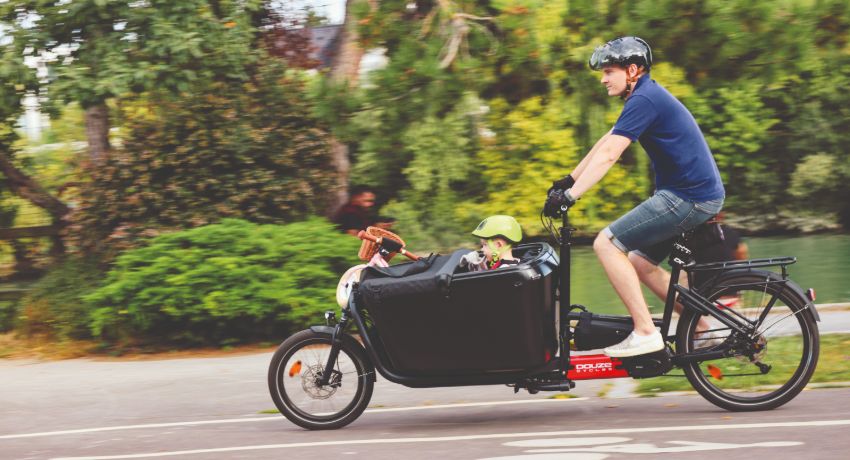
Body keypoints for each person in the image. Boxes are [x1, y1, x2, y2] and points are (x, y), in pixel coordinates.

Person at [544, 37, 725, 357]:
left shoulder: (645, 99)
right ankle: (700, 327)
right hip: (691, 194)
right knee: (640, 261)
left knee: (606, 243)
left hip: (688, 197)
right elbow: (607, 140)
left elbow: (611, 154)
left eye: (609, 71)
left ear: (632, 70)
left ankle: (645, 331)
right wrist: (570, 179)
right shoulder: (643, 97)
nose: (603, 79)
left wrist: (571, 196)